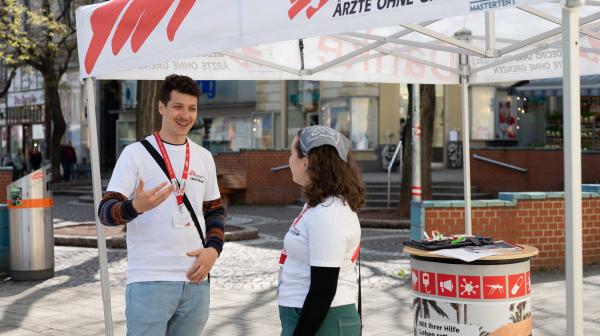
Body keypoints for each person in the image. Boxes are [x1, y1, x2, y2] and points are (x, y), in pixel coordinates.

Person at [98, 74, 225, 336]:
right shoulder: (135, 154)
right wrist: (135, 206)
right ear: (161, 107)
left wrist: (213, 250)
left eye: (192, 108)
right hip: (149, 281)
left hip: (195, 283)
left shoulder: (203, 157)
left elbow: (215, 211)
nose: (185, 115)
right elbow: (105, 212)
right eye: (178, 106)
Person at [279, 125, 365, 336]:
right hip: (311, 317)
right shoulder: (319, 205)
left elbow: (323, 290)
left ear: (306, 162)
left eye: (292, 154)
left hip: (325, 322)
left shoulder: (329, 213)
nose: (289, 160)